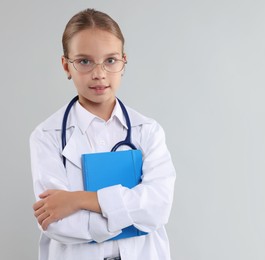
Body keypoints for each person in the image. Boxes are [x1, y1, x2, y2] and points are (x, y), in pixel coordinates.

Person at [30, 8, 176, 260]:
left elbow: (158, 209)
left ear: (123, 62)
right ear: (67, 66)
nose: (99, 73)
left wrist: (78, 200)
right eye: (85, 61)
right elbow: (56, 223)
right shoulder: (47, 136)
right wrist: (132, 218)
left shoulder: (148, 131)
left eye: (110, 60)